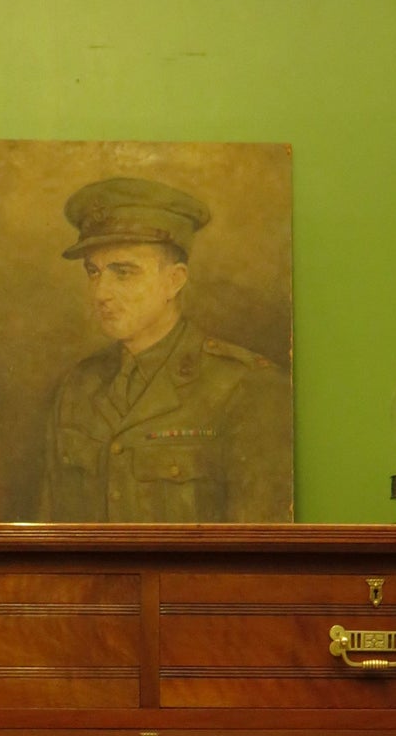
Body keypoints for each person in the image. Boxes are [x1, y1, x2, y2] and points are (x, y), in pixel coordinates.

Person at [38, 176, 293, 522]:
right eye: (93, 272)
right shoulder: (78, 388)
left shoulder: (246, 386)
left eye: (123, 273)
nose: (101, 293)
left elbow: (259, 556)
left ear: (174, 280)